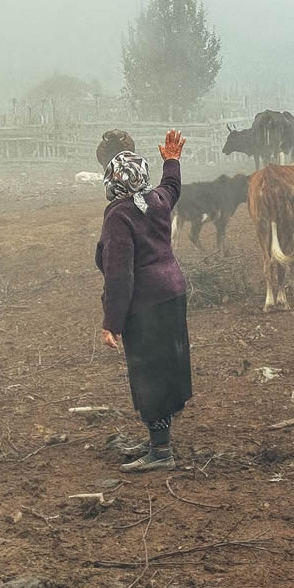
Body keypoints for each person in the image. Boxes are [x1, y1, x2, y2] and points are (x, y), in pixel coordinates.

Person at [96, 129, 192, 473]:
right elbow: (172, 187)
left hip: (146, 303)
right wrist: (172, 161)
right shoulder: (157, 201)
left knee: (149, 373)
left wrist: (112, 323)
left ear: (112, 180)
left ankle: (160, 452)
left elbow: (119, 275)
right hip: (173, 292)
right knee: (168, 366)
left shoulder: (118, 215)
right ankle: (158, 441)